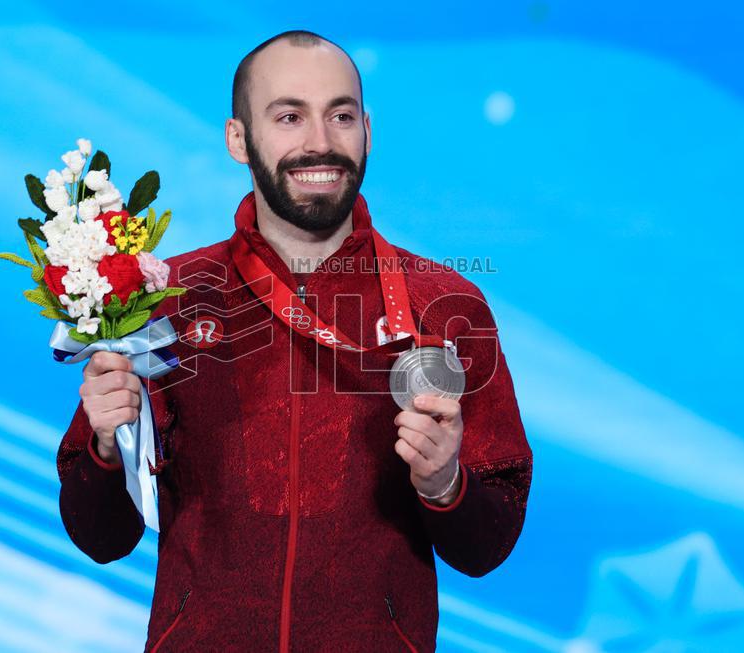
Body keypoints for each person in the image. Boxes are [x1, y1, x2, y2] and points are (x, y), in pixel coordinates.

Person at [56, 30, 533, 653]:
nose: (320, 142)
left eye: (341, 116)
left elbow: (487, 548)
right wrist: (103, 446)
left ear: (368, 130)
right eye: (289, 116)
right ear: (238, 138)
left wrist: (445, 482)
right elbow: (100, 538)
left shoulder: (445, 307)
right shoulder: (164, 301)